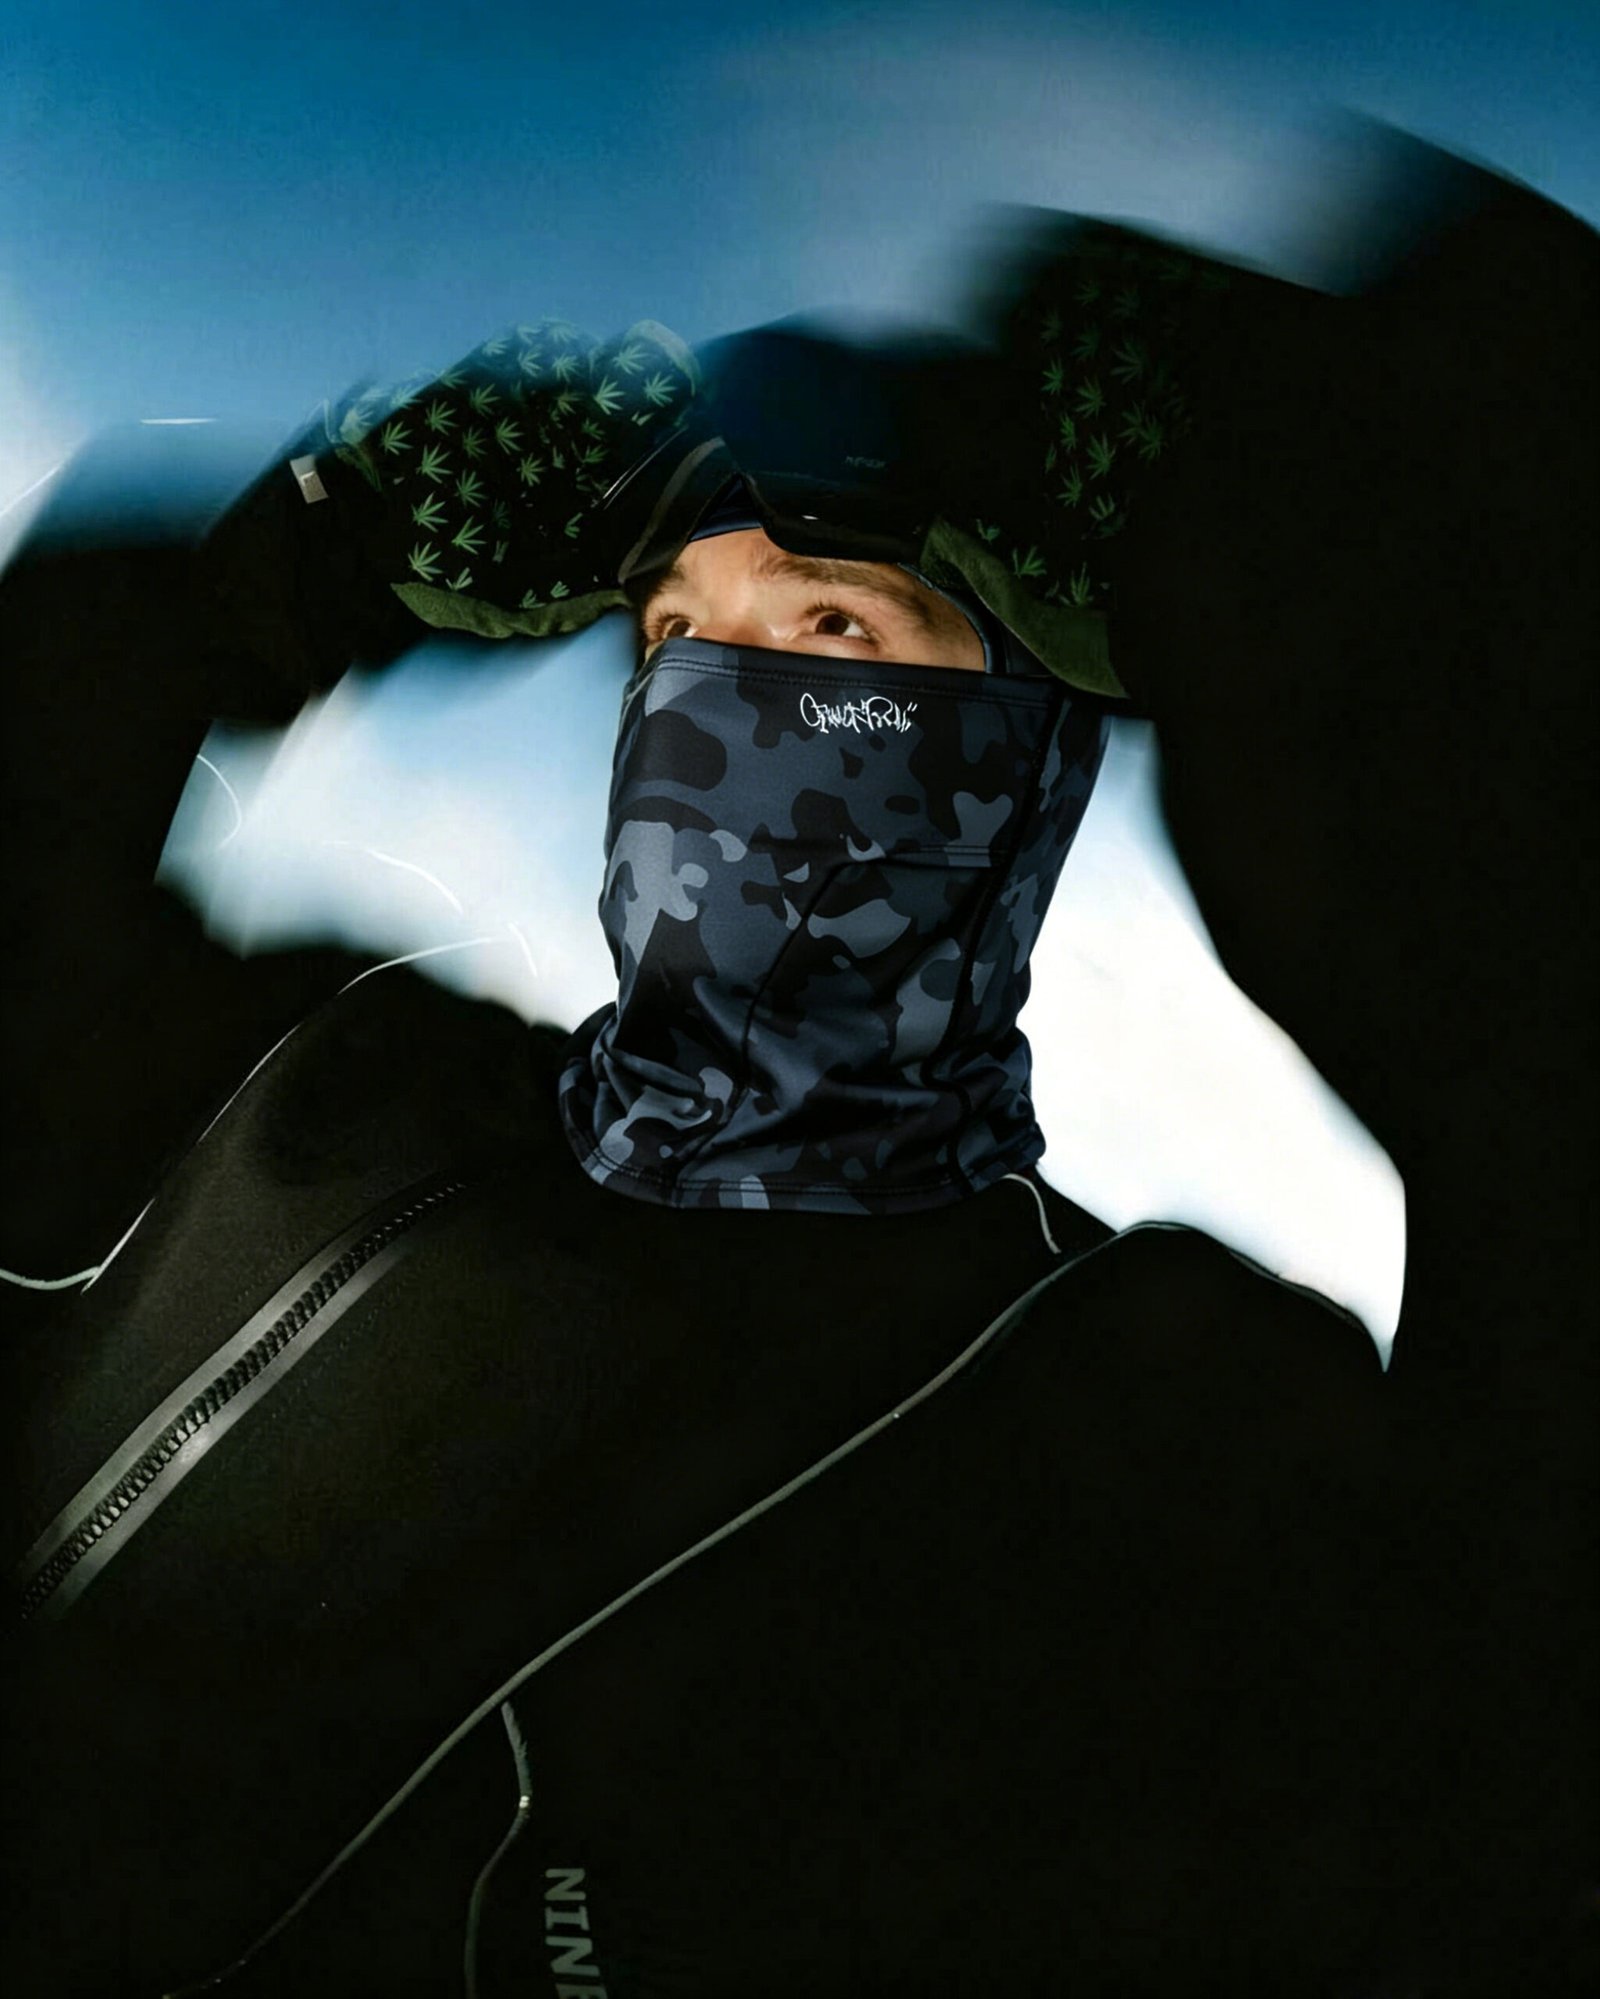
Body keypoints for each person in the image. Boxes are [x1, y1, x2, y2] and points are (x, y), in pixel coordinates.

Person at [2, 118, 1593, 1996]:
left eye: (833, 626)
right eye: (674, 630)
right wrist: (285, 566)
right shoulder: (324, 1089)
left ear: (1020, 763)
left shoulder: (1163, 1426)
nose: (714, 709)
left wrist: (1387, 682)